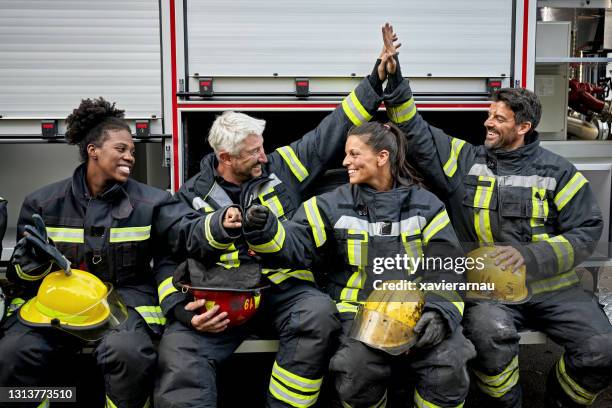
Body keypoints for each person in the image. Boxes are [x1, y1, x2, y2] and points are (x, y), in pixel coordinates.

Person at [153, 25, 399, 408]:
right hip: (224, 299)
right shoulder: (190, 197)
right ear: (226, 159)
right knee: (179, 351)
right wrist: (184, 313)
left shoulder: (282, 168)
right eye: (254, 152)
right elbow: (168, 260)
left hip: (283, 290)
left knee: (318, 314)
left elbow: (329, 133)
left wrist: (376, 79)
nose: (264, 156)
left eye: (263, 147)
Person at [381, 31, 612, 407]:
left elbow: (587, 230)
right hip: (489, 291)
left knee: (603, 349)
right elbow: (415, 130)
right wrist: (394, 78)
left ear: (523, 128)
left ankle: (560, 399)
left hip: (552, 287)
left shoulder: (559, 172)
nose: (488, 123)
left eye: (499, 119)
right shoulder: (464, 160)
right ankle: (507, 402)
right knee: (489, 335)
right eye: (489, 115)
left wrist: (531, 256)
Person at [0, 97, 233, 408]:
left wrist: (220, 224)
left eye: (133, 151)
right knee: (13, 352)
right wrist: (31, 265)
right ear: (93, 150)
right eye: (121, 149)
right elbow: (21, 276)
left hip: (124, 301)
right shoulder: (43, 203)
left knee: (129, 353)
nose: (130, 157)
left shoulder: (152, 202)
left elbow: (186, 231)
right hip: (57, 304)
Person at [243, 121, 476, 408]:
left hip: (420, 316)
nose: (345, 162)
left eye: (354, 154)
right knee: (356, 371)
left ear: (382, 157)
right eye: (346, 154)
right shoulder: (329, 205)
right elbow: (296, 243)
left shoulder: (428, 206)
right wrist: (266, 230)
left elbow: (449, 267)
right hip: (357, 315)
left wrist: (439, 313)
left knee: (449, 366)